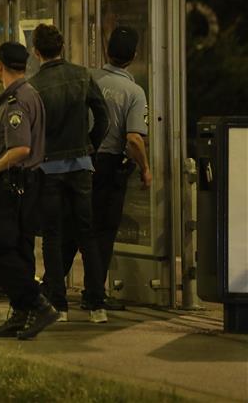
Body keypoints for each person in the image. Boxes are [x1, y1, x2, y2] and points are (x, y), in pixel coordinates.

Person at [28, 24, 110, 324]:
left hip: (48, 168)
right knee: (87, 234)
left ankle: (59, 306)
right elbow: (103, 116)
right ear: (62, 48)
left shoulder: (34, 85)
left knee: (52, 235)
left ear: (36, 52)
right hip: (81, 165)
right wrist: (90, 146)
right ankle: (97, 304)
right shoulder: (82, 76)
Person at [0, 42, 57, 340]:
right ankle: (21, 314)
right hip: (29, 185)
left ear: (0, 66)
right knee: (20, 250)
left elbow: (21, 147)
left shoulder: (16, 101)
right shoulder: (30, 94)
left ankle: (36, 303)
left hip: (12, 186)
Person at [85, 26, 151, 311]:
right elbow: (134, 139)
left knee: (75, 226)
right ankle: (94, 294)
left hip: (80, 163)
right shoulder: (134, 92)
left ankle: (54, 291)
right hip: (109, 167)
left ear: (106, 51)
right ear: (134, 56)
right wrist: (145, 168)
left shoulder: (89, 79)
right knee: (103, 231)